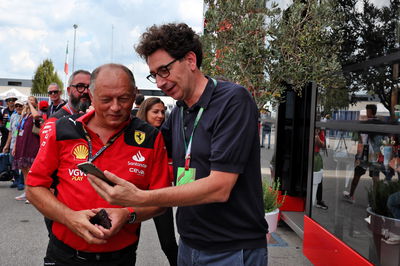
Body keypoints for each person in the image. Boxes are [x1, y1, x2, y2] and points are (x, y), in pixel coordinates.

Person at [89, 23, 268, 265]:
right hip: (189, 244)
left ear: (190, 60)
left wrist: (140, 198)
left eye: (164, 70)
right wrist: (101, 119)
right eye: (154, 74)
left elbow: (220, 187)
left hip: (231, 250)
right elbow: (149, 149)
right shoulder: (179, 111)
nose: (160, 82)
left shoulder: (233, 101)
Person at [26, 63, 170, 266]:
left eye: (124, 98)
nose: (115, 107)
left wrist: (127, 214)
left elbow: (161, 200)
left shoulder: (150, 138)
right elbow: (34, 188)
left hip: (121, 257)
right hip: (64, 255)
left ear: (135, 94)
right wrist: (69, 218)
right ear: (91, 97)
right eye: (106, 99)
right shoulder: (63, 130)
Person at [137, 97, 178, 266]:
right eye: (155, 112)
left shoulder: (166, 135)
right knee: (126, 243)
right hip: (134, 195)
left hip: (160, 194)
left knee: (168, 243)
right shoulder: (132, 134)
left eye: (162, 112)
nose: (160, 115)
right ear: (144, 113)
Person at [343, 104, 384, 203]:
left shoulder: (364, 125)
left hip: (365, 154)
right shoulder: (380, 124)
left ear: (370, 112)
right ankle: (375, 201)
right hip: (375, 154)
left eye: (367, 111)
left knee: (358, 175)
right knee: (375, 178)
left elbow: (361, 142)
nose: (366, 113)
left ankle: (351, 196)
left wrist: (358, 156)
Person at [13, 96, 41, 202]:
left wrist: (30, 104)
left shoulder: (34, 115)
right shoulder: (23, 116)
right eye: (28, 99)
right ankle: (27, 192)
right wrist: (15, 145)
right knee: (24, 170)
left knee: (30, 171)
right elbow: (17, 131)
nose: (29, 100)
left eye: (32, 99)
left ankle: (33, 195)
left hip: (31, 145)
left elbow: (37, 116)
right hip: (21, 145)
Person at [3, 100, 24, 190]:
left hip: (22, 143)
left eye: (20, 106)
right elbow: (10, 132)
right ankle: (17, 179)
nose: (18, 107)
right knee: (12, 162)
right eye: (17, 106)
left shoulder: (26, 116)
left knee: (23, 163)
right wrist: (7, 145)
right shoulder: (13, 116)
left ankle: (21, 182)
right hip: (13, 143)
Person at [314, 128, 328, 210]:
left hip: (316, 156)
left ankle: (319, 200)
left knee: (319, 178)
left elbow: (323, 146)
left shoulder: (320, 131)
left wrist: (316, 136)